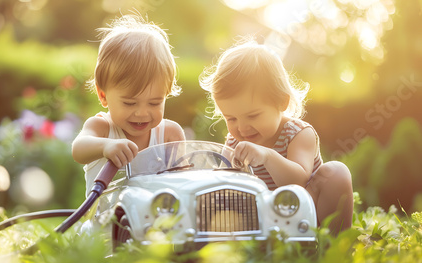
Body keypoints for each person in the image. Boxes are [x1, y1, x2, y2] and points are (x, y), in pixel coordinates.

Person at [200, 38, 353, 235]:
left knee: (337, 173)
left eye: (252, 115)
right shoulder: (234, 142)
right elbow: (224, 187)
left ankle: (333, 244)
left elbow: (297, 182)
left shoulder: (297, 133)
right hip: (264, 220)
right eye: (231, 118)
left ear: (281, 102)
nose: (242, 127)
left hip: (307, 214)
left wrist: (268, 156)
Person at [72, 15, 185, 197]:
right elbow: (78, 149)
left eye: (154, 102)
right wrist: (105, 147)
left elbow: (182, 184)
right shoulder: (102, 128)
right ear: (103, 96)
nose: (141, 113)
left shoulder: (170, 135)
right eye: (130, 103)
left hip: (156, 224)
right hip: (105, 224)